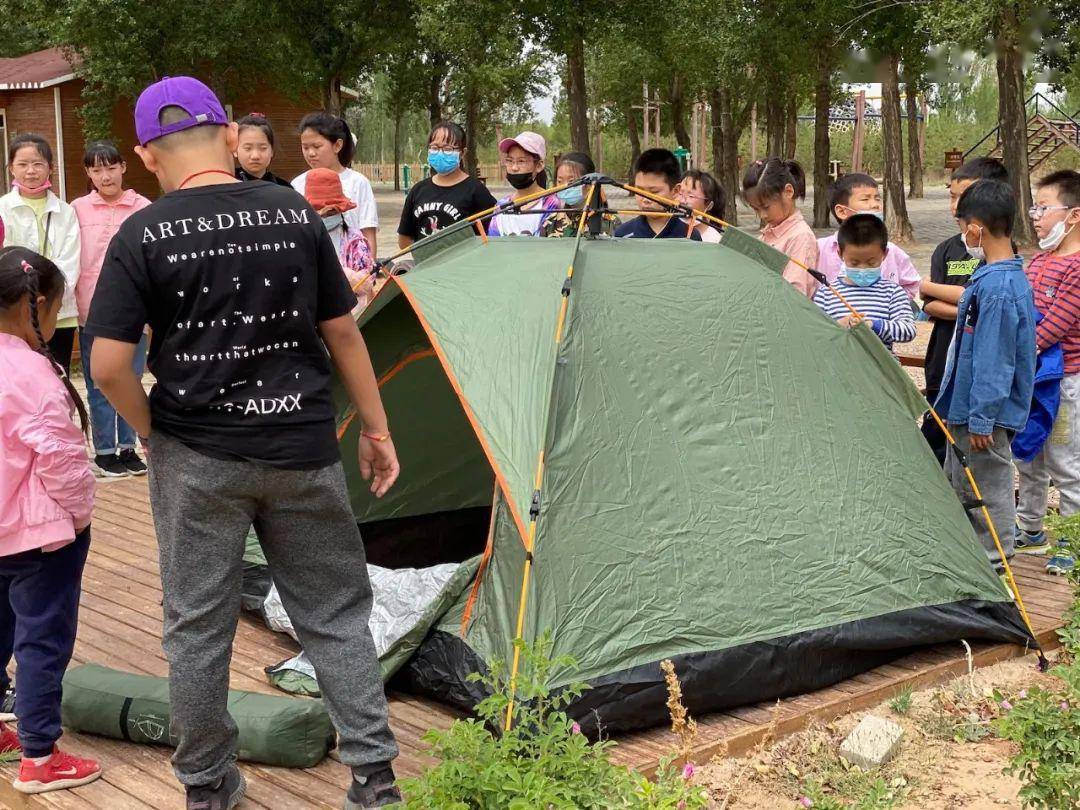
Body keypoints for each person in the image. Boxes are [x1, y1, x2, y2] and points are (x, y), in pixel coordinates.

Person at [85, 76, 402, 810]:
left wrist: (151, 428)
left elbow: (106, 364)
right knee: (335, 617)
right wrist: (377, 428)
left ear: (143, 154)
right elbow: (344, 329)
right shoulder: (293, 211)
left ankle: (207, 788)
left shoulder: (142, 233)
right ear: (230, 135)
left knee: (196, 628)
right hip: (303, 449)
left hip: (199, 457)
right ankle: (375, 781)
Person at [0, 246, 101, 795]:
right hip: (40, 536)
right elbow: (60, 457)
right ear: (31, 307)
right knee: (42, 639)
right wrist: (81, 514)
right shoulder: (31, 372)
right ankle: (39, 755)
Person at [936, 179, 1036, 573]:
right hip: (965, 407)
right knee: (962, 482)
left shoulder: (999, 287)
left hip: (983, 415)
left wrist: (982, 417)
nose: (964, 235)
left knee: (987, 488)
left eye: (964, 227)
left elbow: (996, 361)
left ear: (976, 227)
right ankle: (969, 559)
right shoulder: (993, 276)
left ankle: (995, 563)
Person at [71, 140, 152, 479]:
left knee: (132, 379)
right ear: (89, 173)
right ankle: (105, 451)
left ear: (123, 167)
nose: (105, 176)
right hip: (93, 309)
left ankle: (128, 447)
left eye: (110, 167)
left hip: (137, 310)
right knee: (99, 382)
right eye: (96, 169)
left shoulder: (143, 207)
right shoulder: (76, 209)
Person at [920, 157, 1010, 463]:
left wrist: (933, 288)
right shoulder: (945, 249)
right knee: (934, 440)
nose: (957, 205)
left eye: (965, 195)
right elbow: (929, 304)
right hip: (940, 361)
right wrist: (967, 304)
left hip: (973, 374)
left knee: (969, 455)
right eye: (953, 195)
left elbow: (986, 304)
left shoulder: (999, 255)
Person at [1015, 169, 1080, 575]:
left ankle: (1071, 543)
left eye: (1044, 207)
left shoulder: (1077, 267)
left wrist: (1012, 348)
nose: (1036, 215)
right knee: (1029, 457)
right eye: (1034, 207)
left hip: (1064, 384)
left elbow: (1053, 326)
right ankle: (1031, 529)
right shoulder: (1038, 261)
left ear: (1073, 215)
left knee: (1065, 463)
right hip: (1031, 379)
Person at [0, 134, 81, 374]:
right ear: (11, 168)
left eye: (38, 164)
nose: (30, 171)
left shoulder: (66, 212)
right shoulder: (2, 209)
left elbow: (70, 262)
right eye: (22, 164)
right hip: (13, 317)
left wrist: (50, 297)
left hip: (58, 314)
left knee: (57, 381)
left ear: (50, 168)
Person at [812, 214, 915, 352]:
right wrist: (838, 326)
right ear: (840, 253)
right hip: (838, 369)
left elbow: (908, 330)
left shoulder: (892, 292)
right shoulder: (826, 294)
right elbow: (815, 334)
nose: (862, 269)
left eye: (871, 263)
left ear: (884, 254)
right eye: (854, 263)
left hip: (879, 370)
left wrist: (874, 326)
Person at [816, 173, 919, 299]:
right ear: (842, 211)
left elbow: (912, 284)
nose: (875, 205)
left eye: (877, 198)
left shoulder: (891, 250)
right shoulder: (819, 250)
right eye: (865, 199)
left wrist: (891, 304)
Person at [397, 121, 497, 248]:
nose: (440, 153)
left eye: (448, 149)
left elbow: (491, 235)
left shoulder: (476, 191)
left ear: (462, 153)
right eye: (434, 148)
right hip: (426, 265)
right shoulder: (418, 190)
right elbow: (404, 240)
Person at [292, 112, 379, 257]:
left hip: (351, 270)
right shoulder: (297, 184)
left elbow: (368, 232)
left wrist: (368, 270)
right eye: (305, 147)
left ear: (337, 145)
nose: (311, 153)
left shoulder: (358, 183)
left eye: (317, 146)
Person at [742, 157, 817, 296]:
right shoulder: (767, 234)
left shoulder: (800, 237)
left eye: (766, 207)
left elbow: (795, 293)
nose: (762, 215)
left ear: (788, 192)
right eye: (756, 209)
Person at [305, 167, 375, 311]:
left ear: (340, 210)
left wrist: (342, 274)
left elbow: (367, 281)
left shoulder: (355, 241)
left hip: (351, 314)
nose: (325, 216)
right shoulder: (300, 240)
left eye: (331, 211)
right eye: (318, 211)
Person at [615, 148, 702, 240]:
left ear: (676, 191)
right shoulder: (623, 235)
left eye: (654, 192)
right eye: (639, 191)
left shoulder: (689, 236)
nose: (645, 199)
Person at [487, 131, 559, 237]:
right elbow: (493, 243)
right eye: (510, 161)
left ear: (539, 165)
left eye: (521, 161)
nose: (514, 167)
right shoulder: (501, 206)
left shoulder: (551, 204)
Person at [541, 151, 619, 238]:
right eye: (559, 181)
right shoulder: (550, 223)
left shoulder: (611, 222)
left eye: (572, 181)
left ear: (589, 185)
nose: (564, 186)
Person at [233, 113, 293, 187]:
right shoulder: (226, 185)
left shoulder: (284, 188)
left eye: (263, 148)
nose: (255, 156)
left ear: (272, 151)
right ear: (235, 150)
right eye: (248, 148)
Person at [677, 168, 724, 242]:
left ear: (708, 205)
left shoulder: (715, 240)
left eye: (691, 196)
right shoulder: (667, 229)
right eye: (680, 193)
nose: (682, 201)